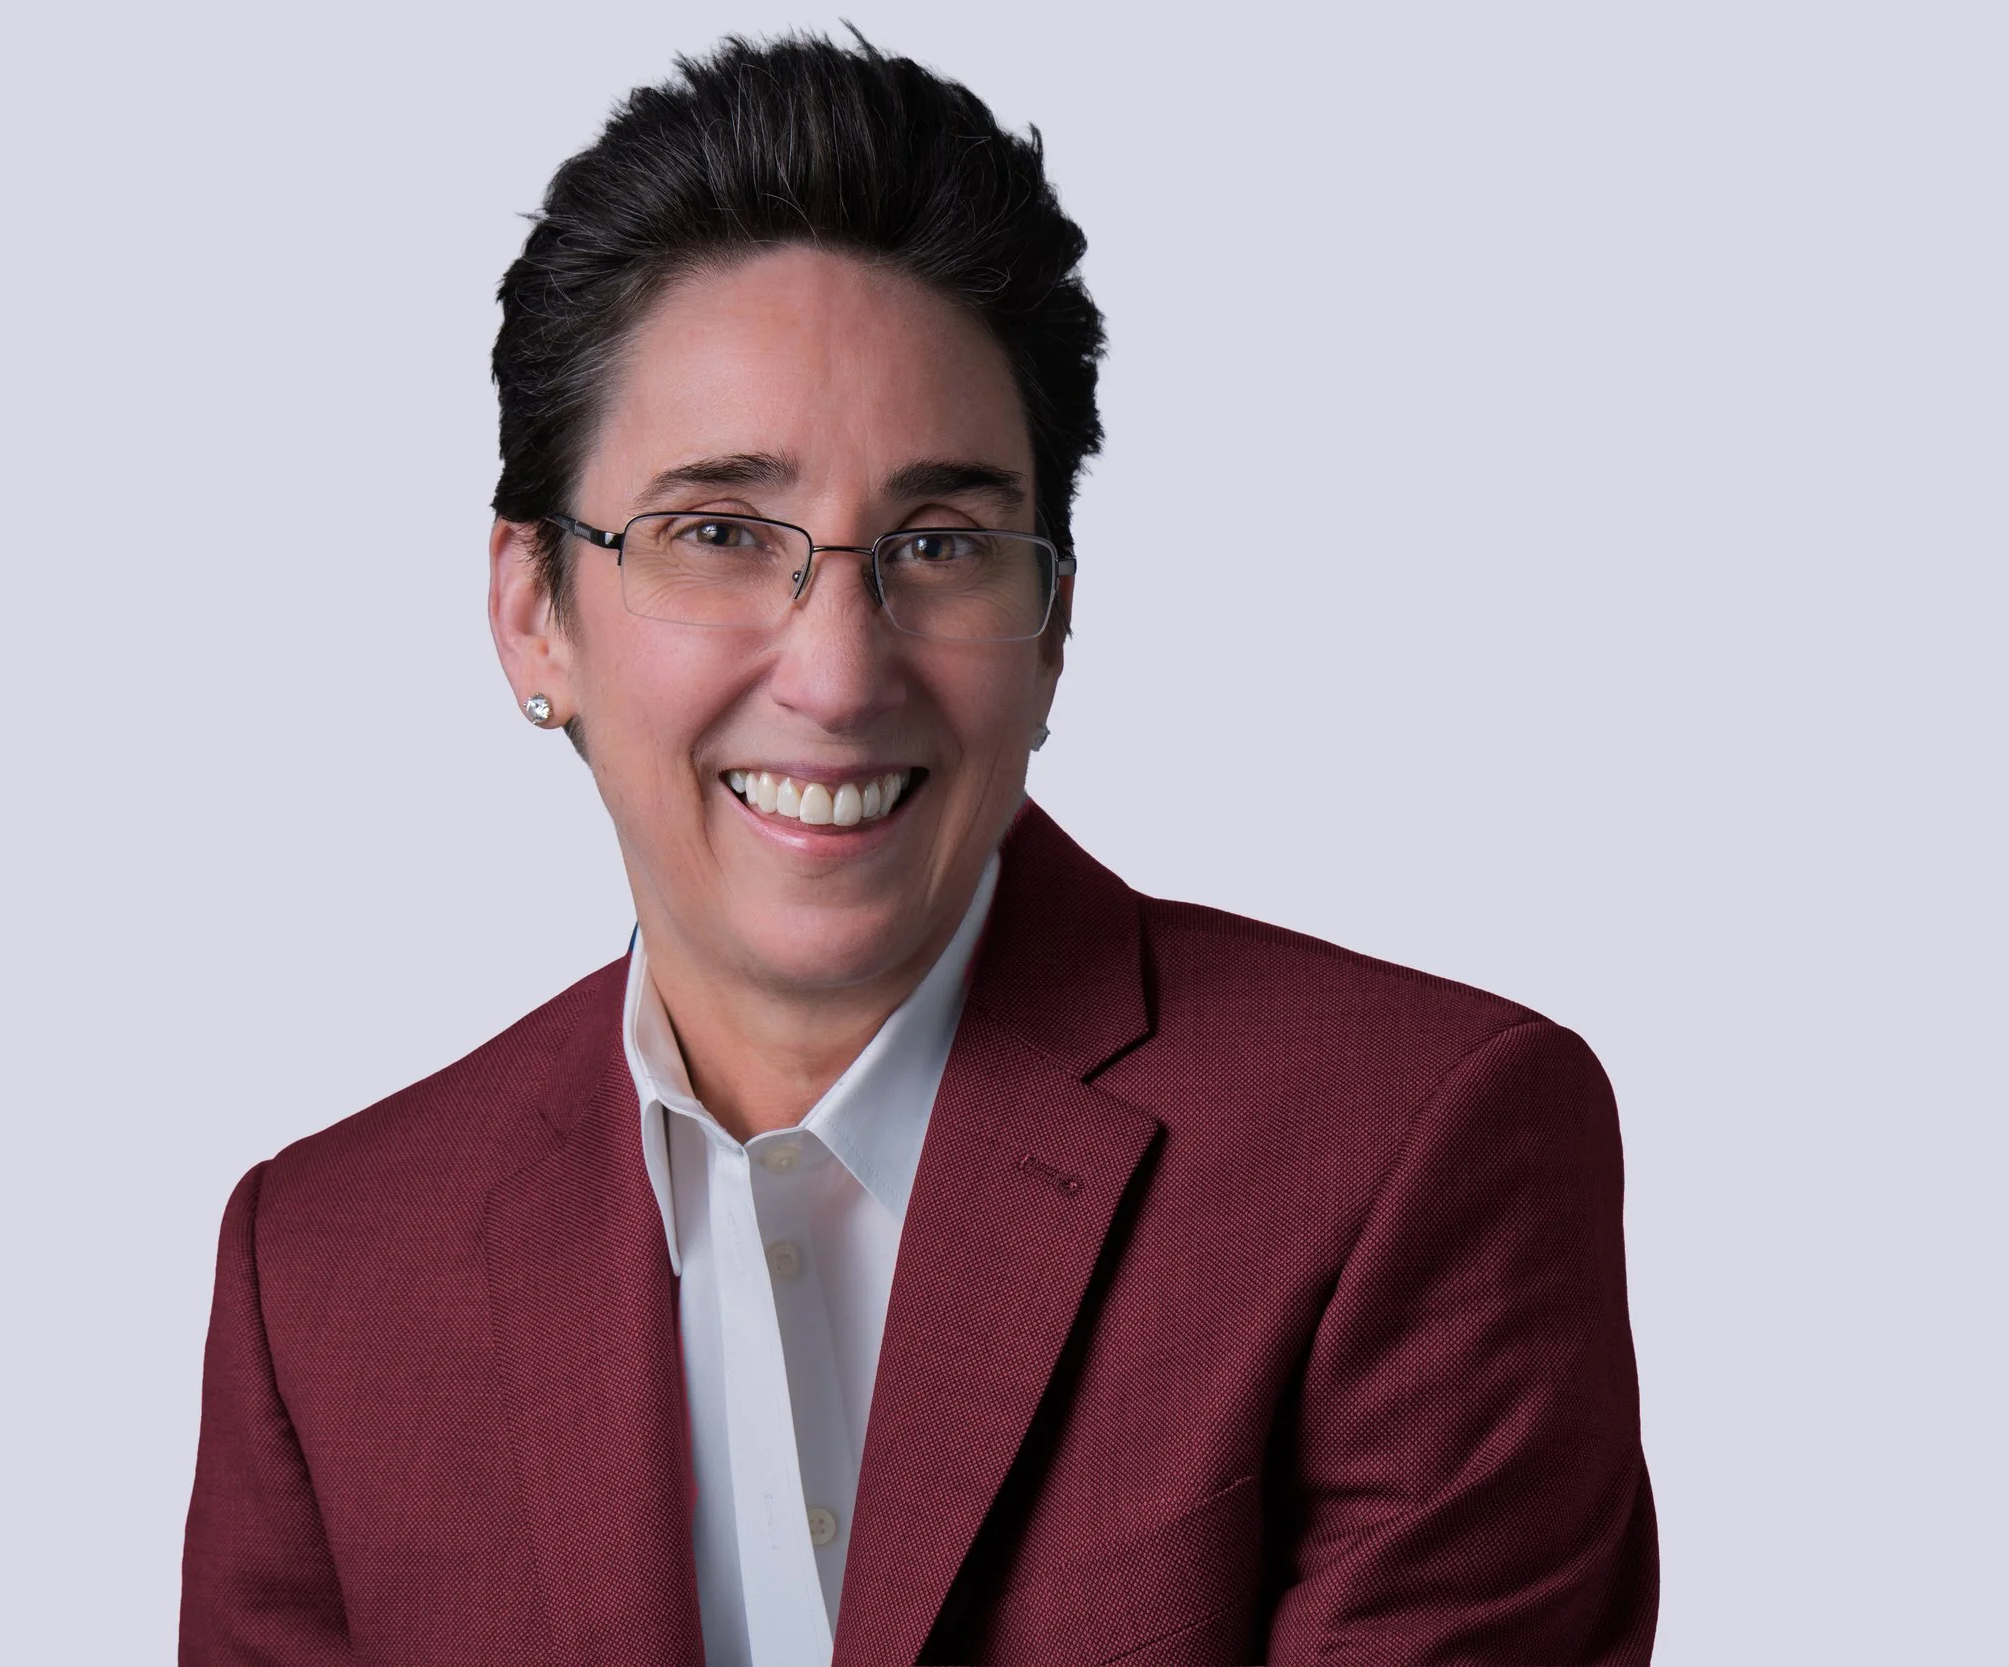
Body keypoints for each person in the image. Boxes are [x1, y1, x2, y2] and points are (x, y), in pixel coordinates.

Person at [180, 32, 1658, 1667]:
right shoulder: (324, 1275)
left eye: (941, 545)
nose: (835, 670)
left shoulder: (1411, 1150)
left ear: (1054, 624)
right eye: (720, 535)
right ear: (536, 612)